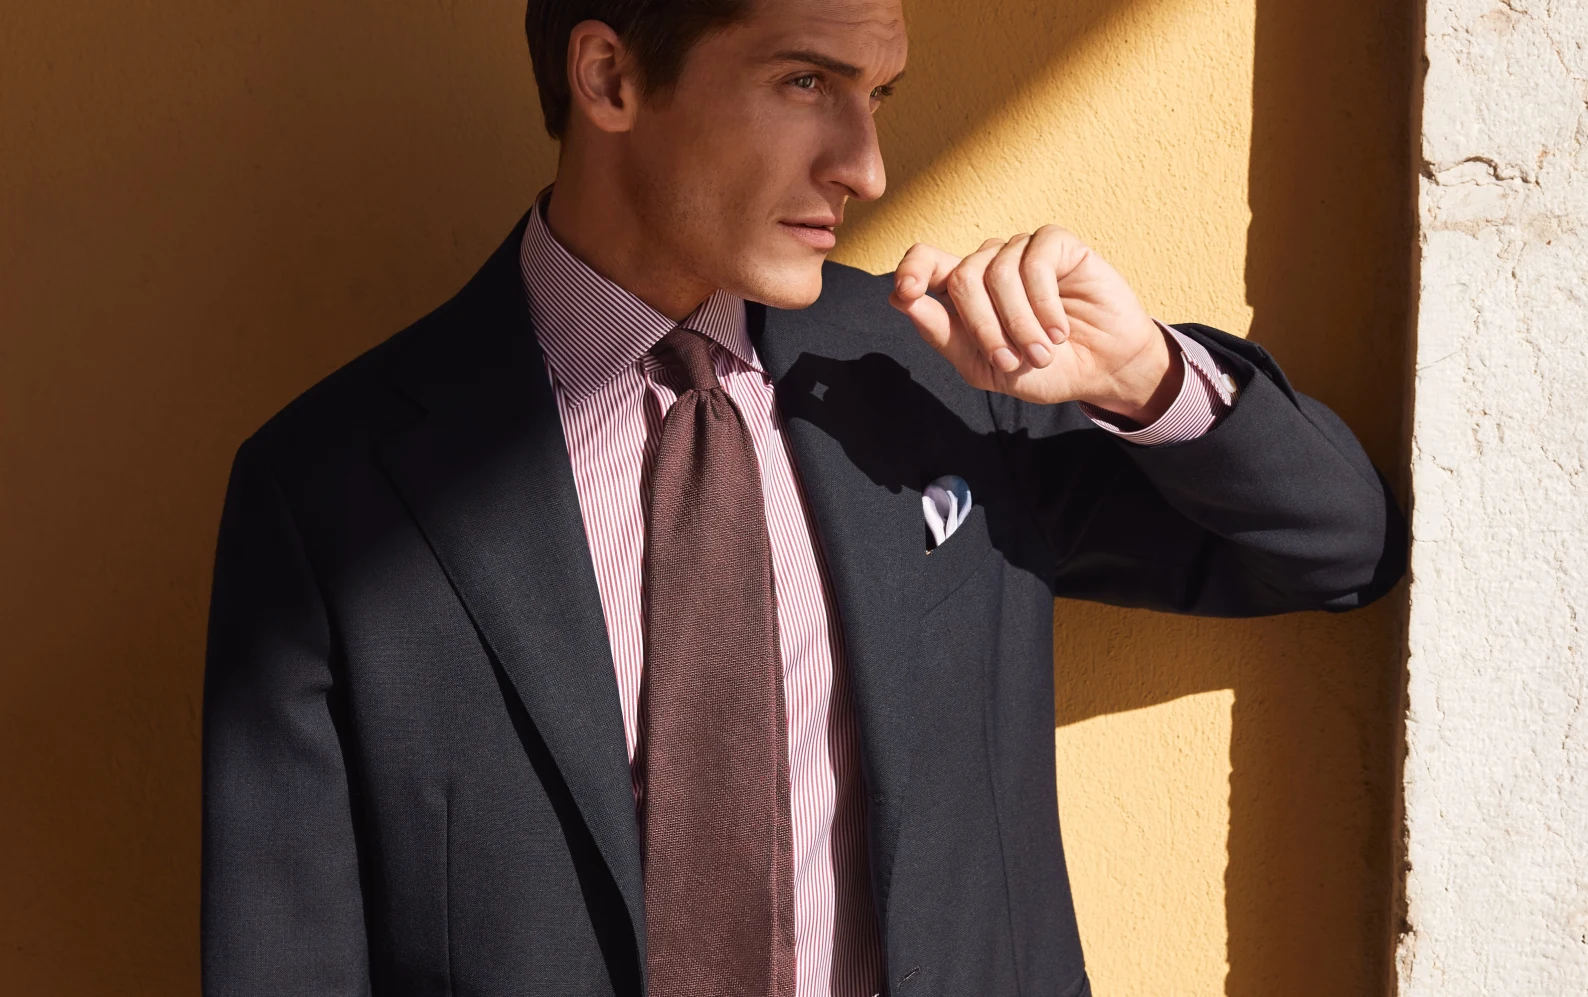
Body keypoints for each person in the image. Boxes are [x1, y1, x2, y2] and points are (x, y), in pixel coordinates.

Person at [200, 1, 1406, 994]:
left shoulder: (942, 380)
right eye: (803, 82)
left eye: (875, 95)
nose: (867, 166)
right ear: (610, 75)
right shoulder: (332, 492)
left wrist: (1144, 377)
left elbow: (1339, 547)